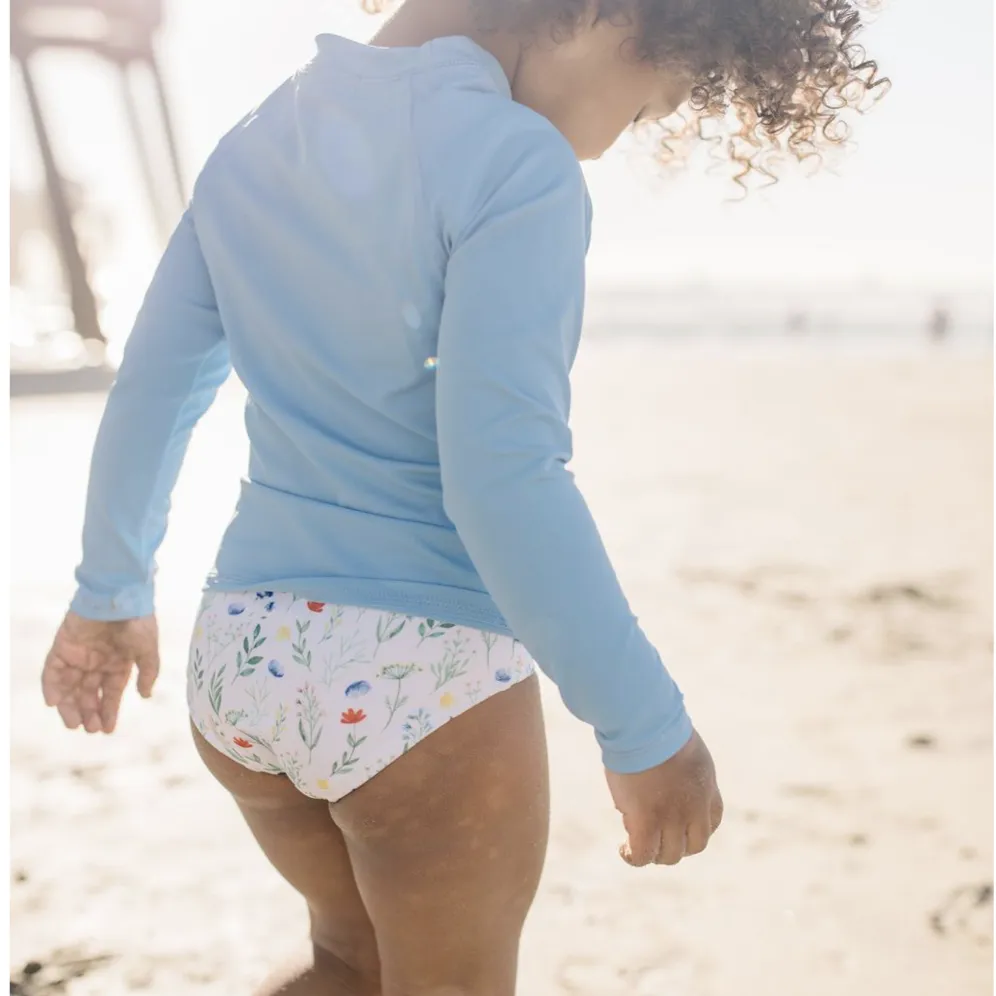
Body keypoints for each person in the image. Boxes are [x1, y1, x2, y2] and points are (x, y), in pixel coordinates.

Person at [40, 0, 886, 992]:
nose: (616, 144)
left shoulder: (254, 140)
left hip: (242, 658)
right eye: (651, 109)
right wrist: (644, 728)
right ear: (613, 15)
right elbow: (502, 476)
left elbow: (154, 386)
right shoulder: (517, 165)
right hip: (417, 681)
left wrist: (109, 592)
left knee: (347, 964)